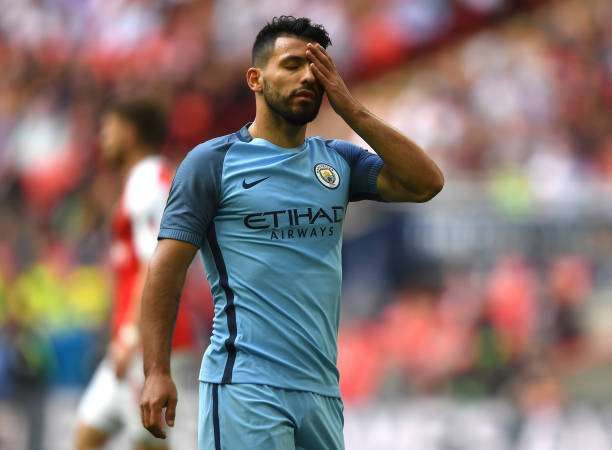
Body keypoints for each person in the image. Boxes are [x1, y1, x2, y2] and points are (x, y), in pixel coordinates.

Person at [139, 16, 444, 450]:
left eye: (318, 69)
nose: (308, 77)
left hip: (320, 390)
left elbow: (426, 182)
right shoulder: (212, 163)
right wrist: (156, 371)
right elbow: (165, 271)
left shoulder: (337, 162)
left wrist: (351, 109)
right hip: (246, 385)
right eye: (292, 65)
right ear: (255, 79)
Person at [74, 99, 197, 450]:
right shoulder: (140, 181)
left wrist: (130, 333)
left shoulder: (150, 181)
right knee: (86, 434)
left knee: (152, 443)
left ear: (129, 133)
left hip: (149, 344)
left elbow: (156, 262)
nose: (102, 137)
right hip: (130, 345)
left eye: (108, 129)